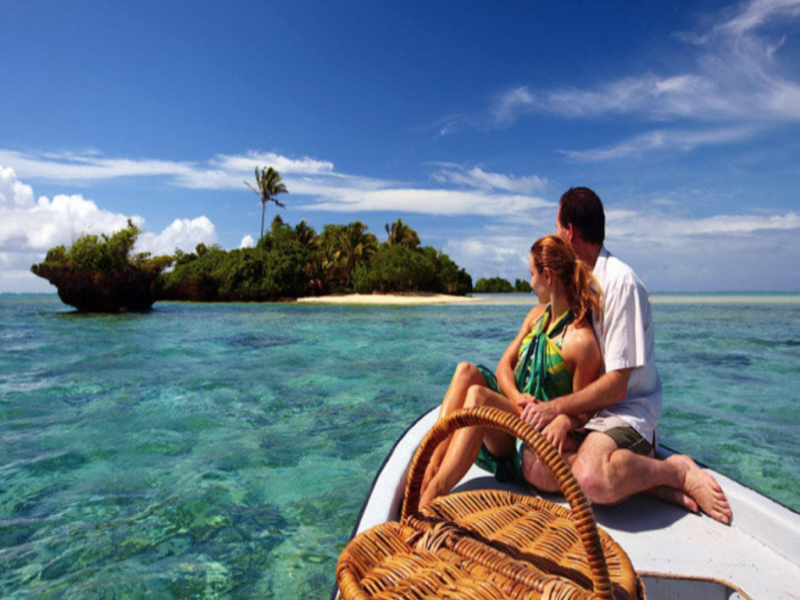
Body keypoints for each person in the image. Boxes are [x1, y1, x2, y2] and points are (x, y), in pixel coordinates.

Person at [520, 187, 732, 524]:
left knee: (590, 477)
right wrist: (569, 417)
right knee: (533, 464)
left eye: (557, 228)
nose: (555, 236)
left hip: (627, 413)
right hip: (590, 413)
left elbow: (618, 386)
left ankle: (675, 471)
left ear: (569, 232)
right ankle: (647, 485)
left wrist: (557, 408)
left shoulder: (621, 284)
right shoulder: (582, 283)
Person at [419, 234, 602, 508]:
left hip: (528, 435)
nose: (529, 284)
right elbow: (503, 367)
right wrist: (518, 398)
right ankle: (428, 470)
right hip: (515, 411)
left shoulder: (581, 342)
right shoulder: (536, 317)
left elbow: (584, 410)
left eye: (532, 275)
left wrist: (563, 419)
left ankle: (434, 493)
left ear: (547, 276)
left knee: (478, 396)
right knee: (466, 371)